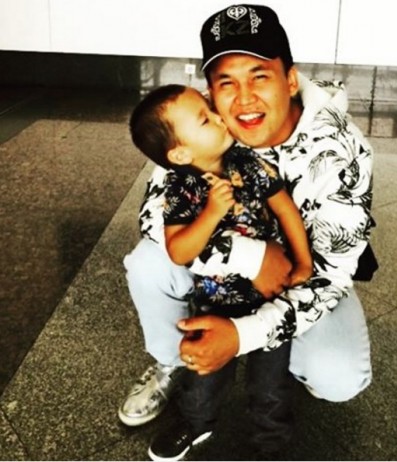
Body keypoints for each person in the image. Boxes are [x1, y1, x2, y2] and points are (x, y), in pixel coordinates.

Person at [119, 4, 374, 459]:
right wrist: (250, 256)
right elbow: (154, 218)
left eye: (259, 77)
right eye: (226, 84)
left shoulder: (341, 149)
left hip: (304, 276)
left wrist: (242, 334)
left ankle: (277, 360)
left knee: (337, 377)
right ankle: (176, 361)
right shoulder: (203, 127)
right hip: (219, 282)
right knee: (147, 265)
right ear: (210, 93)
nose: (244, 100)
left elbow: (329, 274)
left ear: (289, 80)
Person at [128, 83, 313, 460]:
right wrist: (212, 212)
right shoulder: (181, 188)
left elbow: (285, 209)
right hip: (214, 304)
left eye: (211, 109)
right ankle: (196, 424)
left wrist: (304, 261)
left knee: (271, 383)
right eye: (205, 119)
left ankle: (271, 442)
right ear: (180, 153)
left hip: (269, 297)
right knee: (203, 377)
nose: (219, 117)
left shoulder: (248, 162)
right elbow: (179, 250)